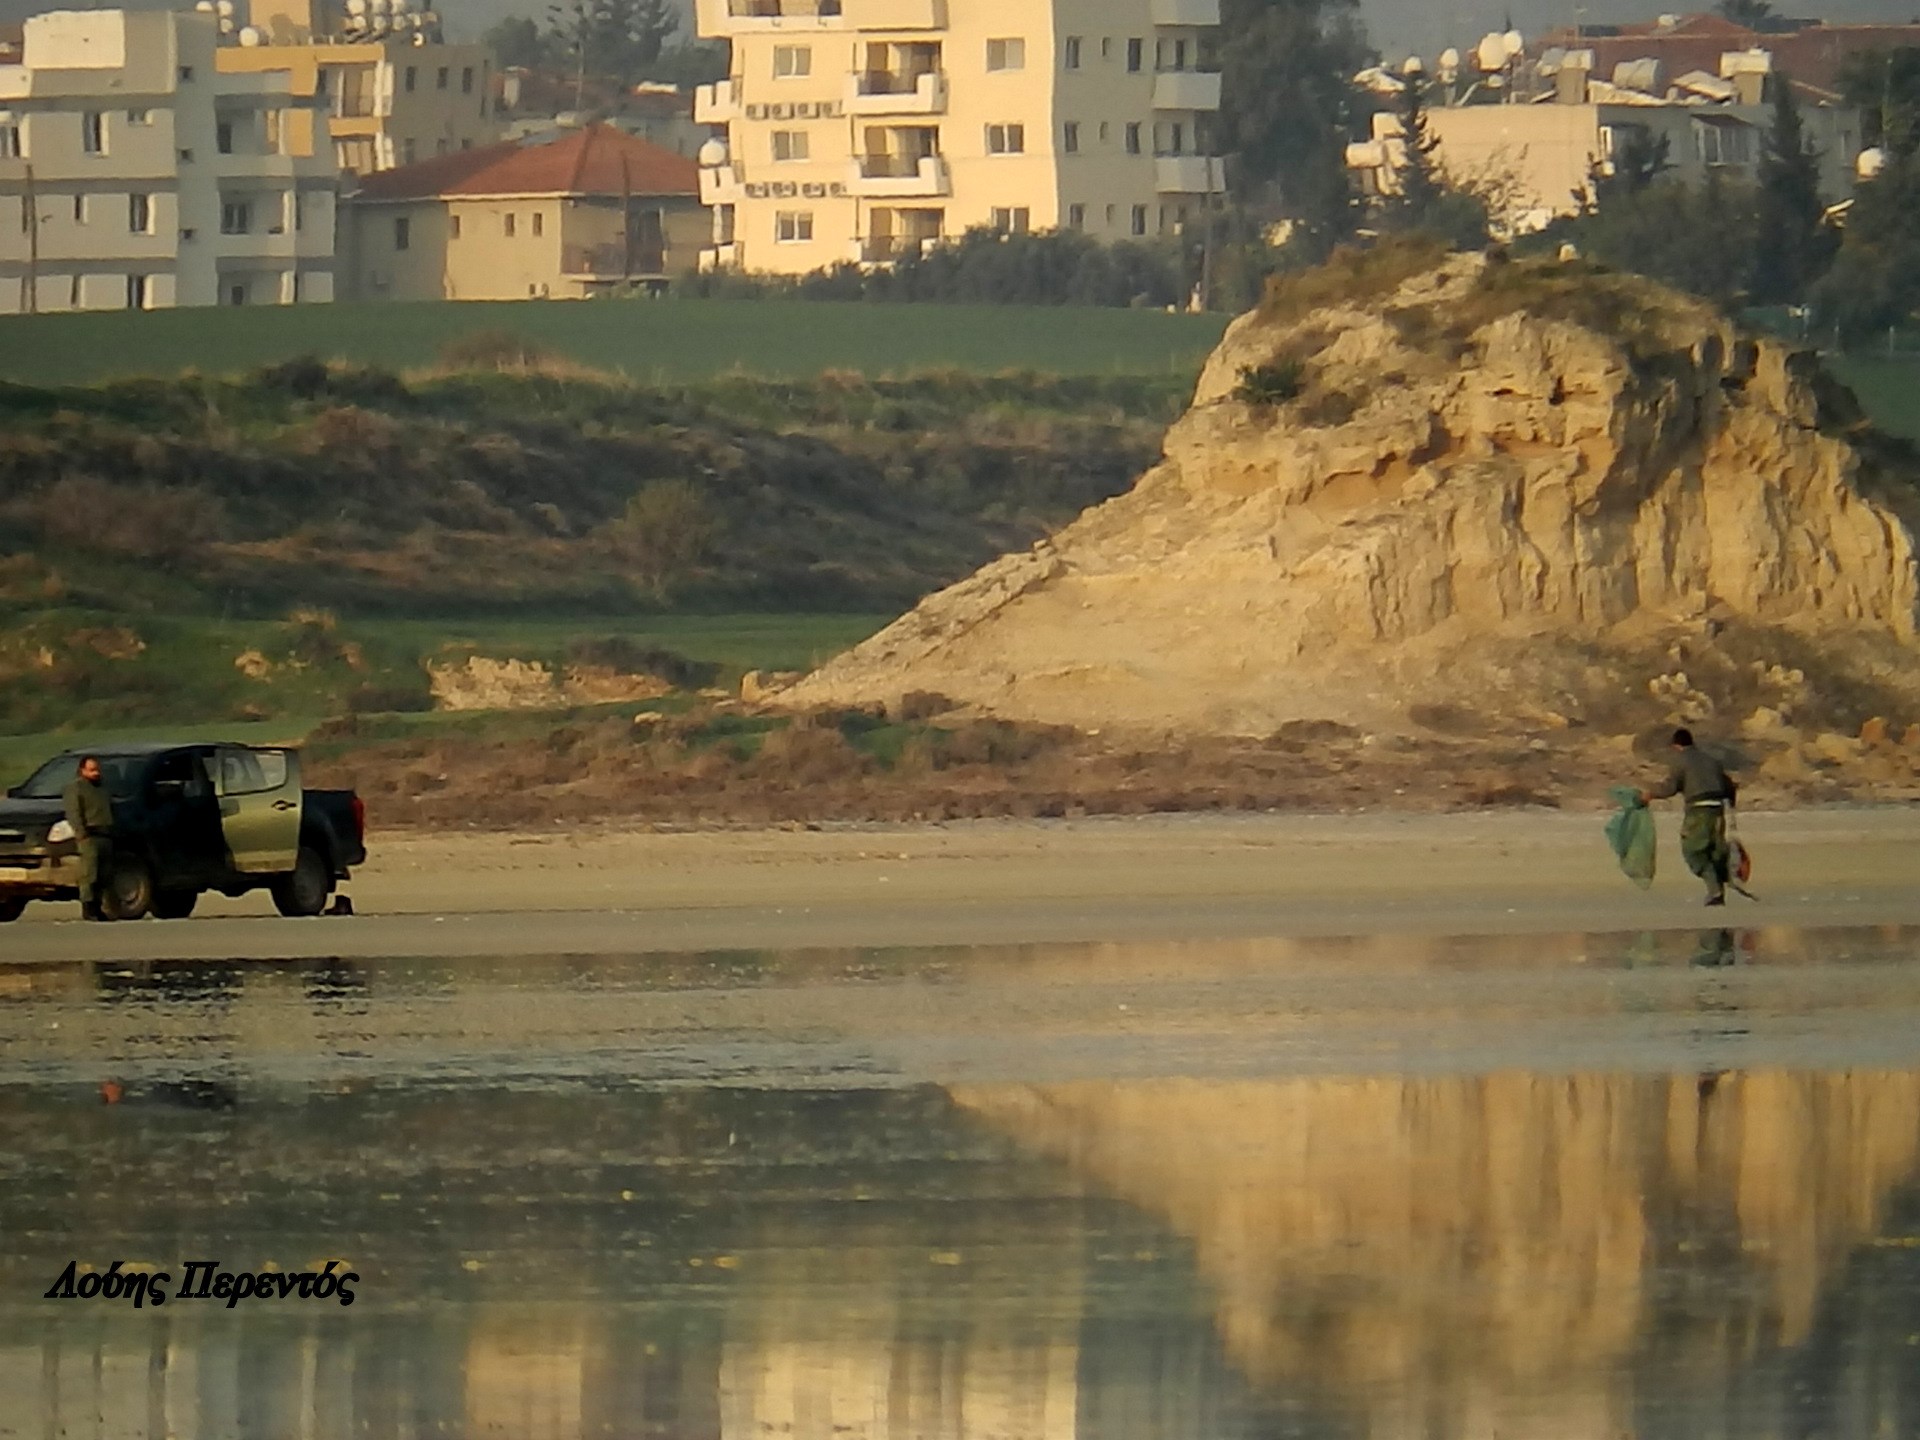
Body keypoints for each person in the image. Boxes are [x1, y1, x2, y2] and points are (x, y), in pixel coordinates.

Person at [1641, 728, 1739, 906]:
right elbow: (1729, 786)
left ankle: (1715, 891)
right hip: (1717, 811)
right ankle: (1722, 884)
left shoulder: (1681, 761)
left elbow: (1671, 788)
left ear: (1676, 746)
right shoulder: (1712, 760)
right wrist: (1731, 804)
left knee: (1693, 851)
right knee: (1714, 850)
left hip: (1698, 811)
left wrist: (1650, 794)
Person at [63, 755, 115, 922]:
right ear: (83, 770)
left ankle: (99, 907)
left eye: (97, 769)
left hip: (105, 834)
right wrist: (81, 834)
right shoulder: (76, 788)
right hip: (89, 836)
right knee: (89, 874)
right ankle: (88, 907)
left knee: (104, 874)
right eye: (92, 770)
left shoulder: (102, 788)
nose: (96, 773)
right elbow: (74, 813)